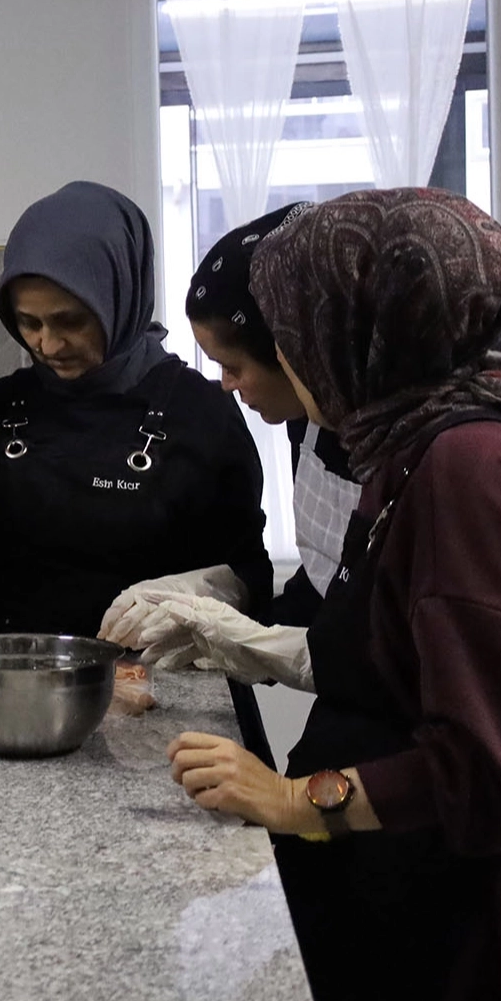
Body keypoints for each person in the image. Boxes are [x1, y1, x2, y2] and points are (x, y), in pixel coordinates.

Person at [166, 189, 501, 1001]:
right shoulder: (422, 435)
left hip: (451, 909)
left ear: (344, 328)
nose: (283, 351)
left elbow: (494, 772)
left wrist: (293, 800)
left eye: (288, 328)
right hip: (404, 872)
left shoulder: (467, 470)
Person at [0, 182, 273, 641]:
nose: (48, 344)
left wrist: (210, 591)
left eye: (70, 321)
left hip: (158, 671)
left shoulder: (201, 413)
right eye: (28, 322)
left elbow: (251, 573)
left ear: (120, 296)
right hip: (12, 671)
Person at [100, 202, 359, 692]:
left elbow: (411, 650)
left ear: (296, 347)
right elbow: (328, 584)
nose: (225, 384)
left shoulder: (429, 455)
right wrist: (228, 617)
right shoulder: (308, 422)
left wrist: (256, 642)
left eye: (234, 367)